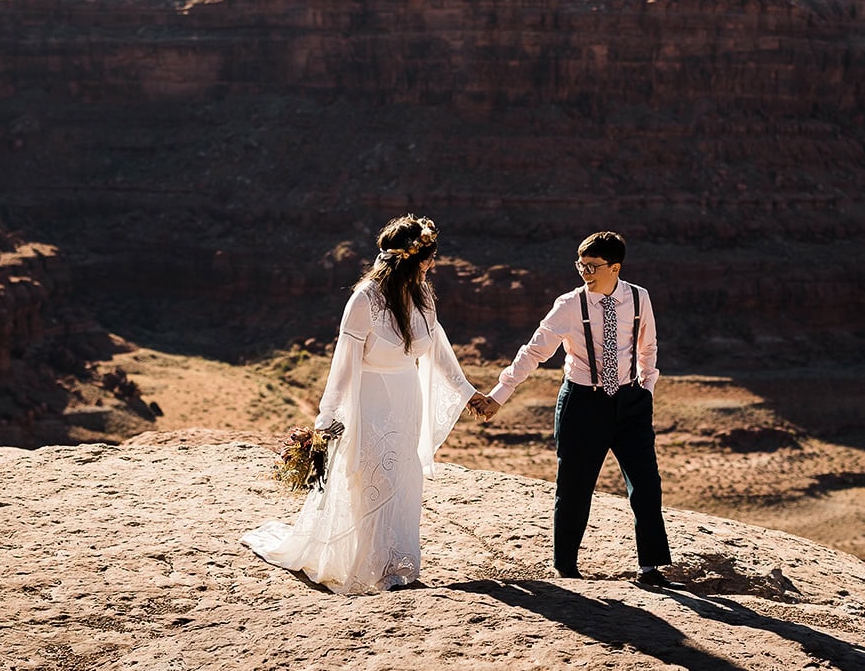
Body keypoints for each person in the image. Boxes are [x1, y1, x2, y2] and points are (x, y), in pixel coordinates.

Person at [243, 215, 491, 594]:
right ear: (413, 259)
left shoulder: (422, 295)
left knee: (404, 480)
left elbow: (437, 347)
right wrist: (326, 419)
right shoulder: (364, 300)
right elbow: (343, 365)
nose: (434, 264)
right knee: (375, 480)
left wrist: (466, 390)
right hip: (370, 405)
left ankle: (396, 563)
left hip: (408, 400)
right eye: (430, 257)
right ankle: (375, 568)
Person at [474, 231, 673, 586]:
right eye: (580, 264)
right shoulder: (568, 305)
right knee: (575, 487)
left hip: (631, 403)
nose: (584, 272)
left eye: (593, 266)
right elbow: (533, 352)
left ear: (615, 267)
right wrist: (499, 395)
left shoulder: (640, 299)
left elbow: (648, 346)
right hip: (583, 404)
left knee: (646, 484)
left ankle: (651, 568)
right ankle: (566, 568)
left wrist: (647, 388)